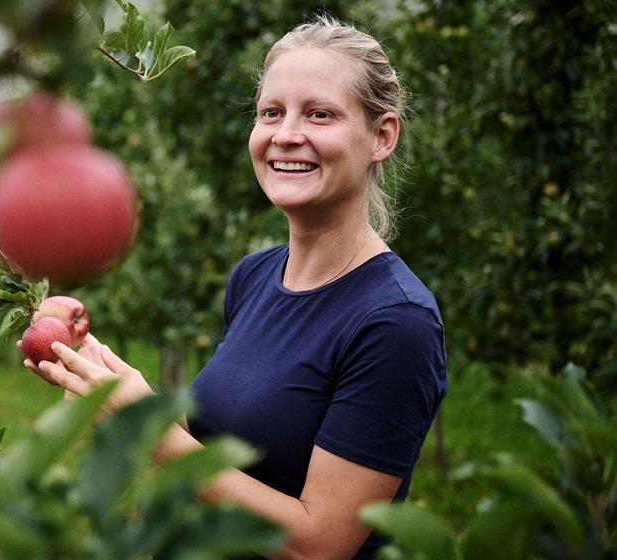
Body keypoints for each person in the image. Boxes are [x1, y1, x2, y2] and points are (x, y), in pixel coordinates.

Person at [22, 15, 448, 560]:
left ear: (381, 137)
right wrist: (131, 397)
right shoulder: (255, 277)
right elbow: (235, 454)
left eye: (319, 114)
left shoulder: (395, 322)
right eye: (271, 112)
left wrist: (155, 437)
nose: (286, 134)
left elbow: (317, 545)